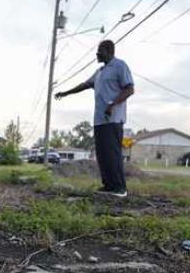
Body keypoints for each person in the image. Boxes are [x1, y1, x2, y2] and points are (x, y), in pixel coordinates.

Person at [54, 40, 134, 197]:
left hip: (113, 119)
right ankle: (109, 186)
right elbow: (85, 84)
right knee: (102, 155)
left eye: (100, 51)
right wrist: (66, 93)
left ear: (109, 50)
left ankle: (120, 188)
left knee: (112, 153)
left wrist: (112, 104)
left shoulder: (120, 66)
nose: (97, 54)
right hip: (99, 120)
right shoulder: (100, 71)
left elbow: (130, 89)